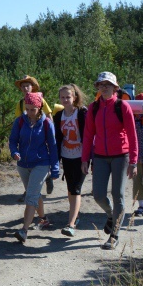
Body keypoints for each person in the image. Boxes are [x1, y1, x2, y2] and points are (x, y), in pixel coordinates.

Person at [81, 72, 138, 250]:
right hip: (100, 156)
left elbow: (132, 135)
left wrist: (133, 161)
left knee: (118, 194)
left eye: (108, 84)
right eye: (101, 84)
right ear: (98, 87)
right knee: (97, 194)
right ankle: (111, 215)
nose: (104, 87)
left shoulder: (123, 106)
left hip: (121, 156)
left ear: (115, 87)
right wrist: (85, 159)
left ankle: (114, 235)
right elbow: (88, 134)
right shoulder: (93, 108)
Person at [9, 92, 59, 243]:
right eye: (27, 109)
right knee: (35, 194)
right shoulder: (20, 121)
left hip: (41, 164)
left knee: (30, 196)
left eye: (33, 109)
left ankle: (24, 230)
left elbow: (53, 146)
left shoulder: (46, 123)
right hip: (23, 164)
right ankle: (43, 219)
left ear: (40, 108)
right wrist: (14, 152)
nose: (29, 112)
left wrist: (55, 167)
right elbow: (12, 141)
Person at [14, 75, 59, 197]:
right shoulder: (20, 103)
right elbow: (18, 120)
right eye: (22, 86)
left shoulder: (40, 100)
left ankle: (44, 178)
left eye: (27, 86)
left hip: (40, 135)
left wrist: (50, 130)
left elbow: (48, 115)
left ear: (32, 87)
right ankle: (31, 190)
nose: (25, 88)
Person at [53, 84, 88, 237]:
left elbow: (89, 135)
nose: (65, 99)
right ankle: (76, 216)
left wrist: (88, 158)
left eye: (68, 97)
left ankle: (71, 224)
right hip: (66, 156)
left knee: (76, 189)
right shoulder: (58, 115)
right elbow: (56, 137)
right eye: (63, 97)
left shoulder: (82, 113)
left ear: (74, 97)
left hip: (81, 157)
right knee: (70, 188)